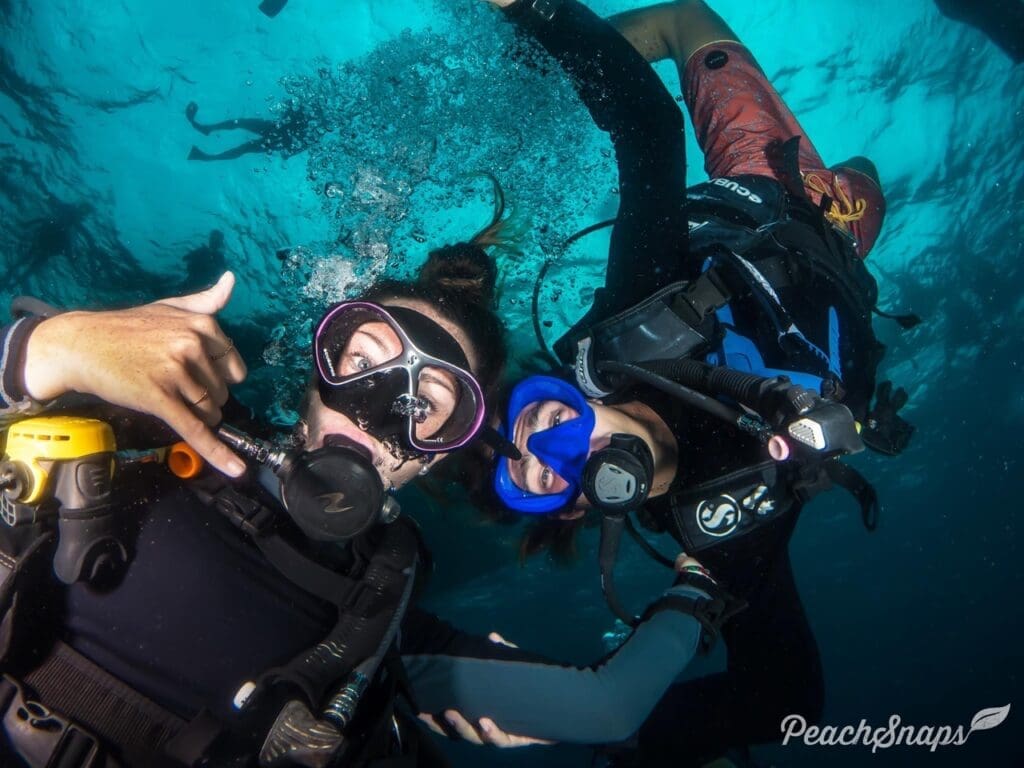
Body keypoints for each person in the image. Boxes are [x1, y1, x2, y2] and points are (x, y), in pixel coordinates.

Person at [411, 0, 913, 764]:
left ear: (569, 391)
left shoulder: (633, 323)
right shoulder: (716, 530)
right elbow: (787, 696)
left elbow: (648, 129)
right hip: (845, 245)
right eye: (537, 481)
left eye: (543, 420)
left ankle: (536, 62)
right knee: (868, 185)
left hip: (771, 186)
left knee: (688, 18)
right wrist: (629, 734)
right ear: (574, 510)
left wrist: (535, 13)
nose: (558, 451)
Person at [0, 195, 514, 767]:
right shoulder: (175, 423)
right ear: (315, 378)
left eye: (424, 404)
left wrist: (530, 697)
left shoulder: (388, 592)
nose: (371, 411)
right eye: (363, 362)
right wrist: (49, 350)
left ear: (438, 456)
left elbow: (552, 692)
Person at [185, 100, 325, 162]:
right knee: (240, 123)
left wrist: (290, 152)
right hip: (275, 129)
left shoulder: (318, 130)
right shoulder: (312, 107)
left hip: (280, 139)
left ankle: (207, 157)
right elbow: (290, 107)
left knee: (244, 146)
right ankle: (207, 129)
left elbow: (303, 145)